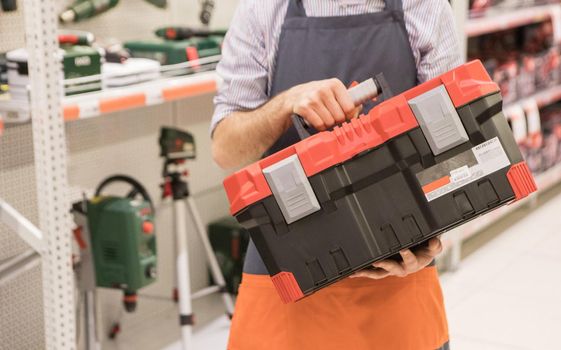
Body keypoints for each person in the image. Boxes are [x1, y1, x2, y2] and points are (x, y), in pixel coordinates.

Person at [211, 0, 462, 349]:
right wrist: (286, 104)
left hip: (395, 267)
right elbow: (225, 148)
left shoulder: (425, 8)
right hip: (287, 274)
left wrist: (435, 234)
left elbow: (451, 146)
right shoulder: (262, 10)